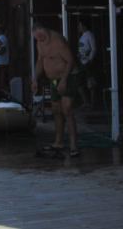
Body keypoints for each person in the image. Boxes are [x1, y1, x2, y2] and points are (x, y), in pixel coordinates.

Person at [30, 21, 80, 157]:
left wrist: (63, 80)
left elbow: (70, 61)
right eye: (38, 38)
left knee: (67, 109)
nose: (40, 40)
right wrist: (35, 79)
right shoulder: (39, 42)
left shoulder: (58, 42)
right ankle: (58, 142)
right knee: (56, 110)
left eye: (42, 37)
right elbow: (41, 60)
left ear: (45, 30)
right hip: (53, 79)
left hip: (68, 76)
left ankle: (74, 145)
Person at [77, 19, 97, 109]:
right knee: (79, 83)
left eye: (80, 25)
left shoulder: (89, 35)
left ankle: (92, 103)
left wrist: (90, 59)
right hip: (81, 62)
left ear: (84, 26)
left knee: (90, 83)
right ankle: (86, 102)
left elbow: (93, 48)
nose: (79, 27)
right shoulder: (82, 36)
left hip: (88, 63)